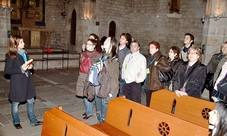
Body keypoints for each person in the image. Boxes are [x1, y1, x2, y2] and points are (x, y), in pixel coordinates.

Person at [4, 35, 42, 129]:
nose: (24, 43)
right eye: (21, 42)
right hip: (17, 83)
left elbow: (27, 64)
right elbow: (7, 71)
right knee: (16, 102)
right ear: (15, 45)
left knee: (30, 100)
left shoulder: (24, 53)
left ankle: (33, 120)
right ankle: (16, 121)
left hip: (27, 81)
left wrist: (30, 67)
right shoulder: (11, 56)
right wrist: (21, 69)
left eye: (23, 42)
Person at [95, 37, 119, 123]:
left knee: (105, 117)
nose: (104, 41)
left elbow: (114, 78)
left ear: (112, 45)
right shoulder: (102, 56)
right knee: (99, 113)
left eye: (107, 41)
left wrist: (111, 93)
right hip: (99, 89)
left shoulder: (114, 60)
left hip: (108, 91)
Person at [76, 38, 100, 119]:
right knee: (84, 94)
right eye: (87, 44)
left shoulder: (97, 55)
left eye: (89, 44)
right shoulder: (83, 54)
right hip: (82, 75)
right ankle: (88, 110)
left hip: (91, 77)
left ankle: (89, 112)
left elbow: (99, 67)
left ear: (94, 46)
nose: (87, 46)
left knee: (89, 94)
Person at [145, 41, 171, 106]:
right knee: (148, 104)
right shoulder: (150, 58)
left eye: (152, 47)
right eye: (150, 47)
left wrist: (158, 64)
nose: (150, 49)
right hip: (149, 85)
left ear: (157, 49)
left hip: (157, 86)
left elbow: (168, 68)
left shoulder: (161, 58)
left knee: (155, 105)